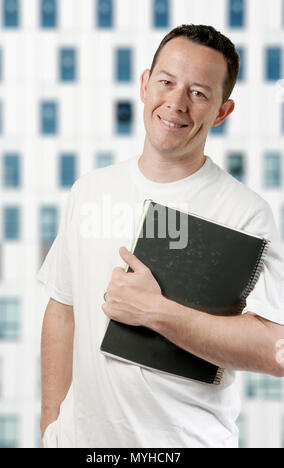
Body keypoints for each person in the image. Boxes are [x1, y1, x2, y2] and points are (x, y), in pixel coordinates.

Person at [37, 24, 284, 449]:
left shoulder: (245, 214)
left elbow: (276, 348)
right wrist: (51, 428)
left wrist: (155, 310)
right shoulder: (91, 190)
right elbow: (62, 310)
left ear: (222, 112)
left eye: (199, 93)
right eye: (167, 82)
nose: (176, 103)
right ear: (145, 84)